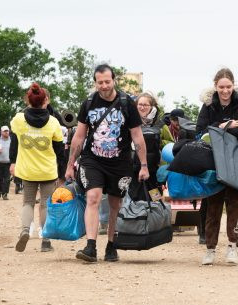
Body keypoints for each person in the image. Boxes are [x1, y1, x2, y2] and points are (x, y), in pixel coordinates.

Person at [65, 64, 149, 263]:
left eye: (107, 81)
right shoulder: (88, 103)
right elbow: (79, 136)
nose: (103, 86)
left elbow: (137, 136)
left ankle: (111, 244)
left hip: (120, 163)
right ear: (95, 82)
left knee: (114, 204)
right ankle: (91, 247)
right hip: (92, 159)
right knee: (93, 197)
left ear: (114, 81)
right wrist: (70, 164)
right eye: (99, 82)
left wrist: (144, 165)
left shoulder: (127, 103)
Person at [196, 67, 238, 265]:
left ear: (233, 86)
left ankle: (232, 246)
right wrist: (226, 126)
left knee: (235, 204)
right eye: (221, 87)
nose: (225, 91)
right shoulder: (207, 105)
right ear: (215, 86)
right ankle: (210, 249)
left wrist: (225, 128)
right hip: (213, 161)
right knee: (212, 205)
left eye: (228, 86)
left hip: (237, 159)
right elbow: (200, 131)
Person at [10, 83, 64, 253]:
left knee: (28, 202)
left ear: (28, 100)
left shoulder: (18, 119)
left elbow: (14, 140)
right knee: (46, 204)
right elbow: (60, 151)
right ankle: (46, 241)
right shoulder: (54, 122)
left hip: (27, 170)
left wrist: (13, 162)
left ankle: (25, 230)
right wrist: (62, 173)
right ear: (44, 101)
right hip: (47, 170)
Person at [128, 92, 173, 200]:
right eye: (140, 104)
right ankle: (135, 216)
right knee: (133, 198)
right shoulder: (129, 122)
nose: (142, 107)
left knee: (155, 198)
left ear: (152, 107)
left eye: (145, 105)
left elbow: (170, 144)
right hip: (132, 169)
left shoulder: (160, 125)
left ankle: (154, 214)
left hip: (154, 171)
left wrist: (156, 142)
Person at [0, 126, 12, 200]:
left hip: (8, 163)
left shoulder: (12, 140)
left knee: (7, 179)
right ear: (1, 132)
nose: (7, 132)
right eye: (5, 131)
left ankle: (5, 194)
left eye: (7, 131)